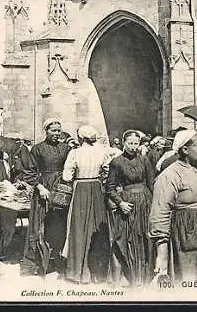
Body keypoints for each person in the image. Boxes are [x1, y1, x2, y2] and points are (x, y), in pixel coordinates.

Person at [149, 130, 197, 283]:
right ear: (185, 149)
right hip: (186, 235)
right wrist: (162, 254)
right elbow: (160, 213)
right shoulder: (170, 175)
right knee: (190, 280)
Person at [61, 125, 112, 284]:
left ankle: (77, 272)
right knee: (96, 227)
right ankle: (97, 272)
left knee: (78, 228)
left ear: (81, 138)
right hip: (96, 188)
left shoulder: (75, 153)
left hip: (81, 189)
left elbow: (67, 177)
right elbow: (108, 169)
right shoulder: (102, 152)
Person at [20, 118, 71, 277]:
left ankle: (58, 261)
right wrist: (40, 187)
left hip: (62, 190)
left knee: (59, 225)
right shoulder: (37, 149)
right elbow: (29, 171)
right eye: (53, 130)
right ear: (46, 131)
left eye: (58, 130)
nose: (56, 133)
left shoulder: (66, 148)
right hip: (43, 190)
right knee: (39, 225)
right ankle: (37, 264)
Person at [105, 130, 155, 287]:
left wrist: (153, 204)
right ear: (123, 143)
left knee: (145, 237)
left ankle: (144, 277)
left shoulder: (144, 160)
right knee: (127, 240)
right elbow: (110, 188)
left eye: (136, 143)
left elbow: (151, 183)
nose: (133, 147)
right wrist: (121, 203)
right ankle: (130, 277)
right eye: (130, 143)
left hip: (145, 202)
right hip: (128, 204)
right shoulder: (117, 162)